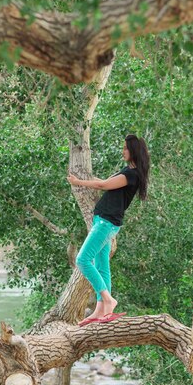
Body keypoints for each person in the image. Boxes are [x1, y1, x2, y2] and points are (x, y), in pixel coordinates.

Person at [66, 134, 150, 326]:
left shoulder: (131, 175)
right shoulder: (128, 171)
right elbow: (104, 182)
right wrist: (83, 179)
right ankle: (101, 309)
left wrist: (78, 183)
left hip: (106, 223)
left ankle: (108, 300)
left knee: (82, 259)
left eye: (125, 148)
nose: (123, 151)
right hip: (105, 222)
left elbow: (102, 185)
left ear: (133, 151)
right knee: (102, 264)